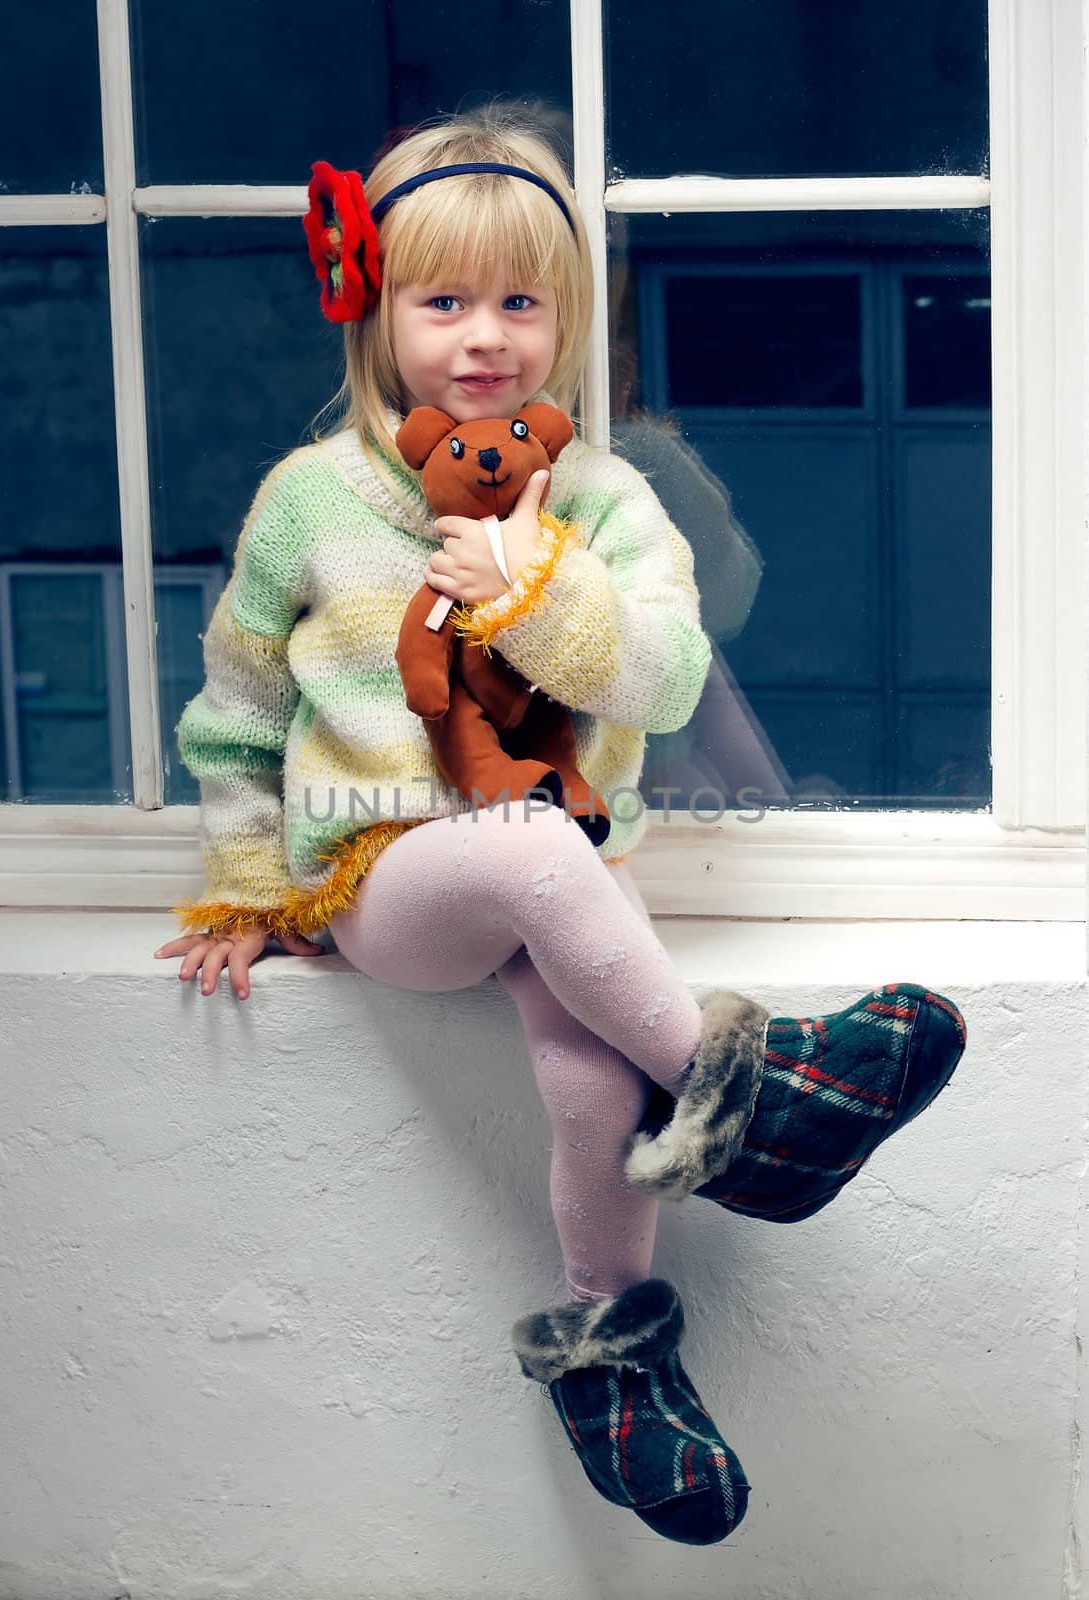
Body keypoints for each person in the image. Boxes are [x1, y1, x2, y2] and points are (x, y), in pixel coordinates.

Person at [154, 104, 966, 1547]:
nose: (484, 337)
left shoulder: (601, 500)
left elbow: (661, 678)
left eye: (521, 302)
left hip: (550, 866)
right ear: (376, 314)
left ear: (567, 319)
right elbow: (233, 713)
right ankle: (765, 1104)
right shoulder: (312, 500)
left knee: (591, 1085)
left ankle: (613, 1365)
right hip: (381, 873)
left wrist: (532, 589)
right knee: (536, 853)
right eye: (443, 300)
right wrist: (240, 893)